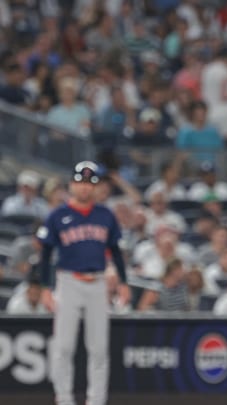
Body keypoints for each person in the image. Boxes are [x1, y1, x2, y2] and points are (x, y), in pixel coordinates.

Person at [36, 161, 130, 405]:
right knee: (64, 346)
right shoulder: (58, 215)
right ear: (71, 184)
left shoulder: (105, 215)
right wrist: (46, 288)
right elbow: (45, 255)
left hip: (98, 283)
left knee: (99, 348)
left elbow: (116, 251)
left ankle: (96, 400)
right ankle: (64, 399)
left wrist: (123, 283)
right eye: (81, 182)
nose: (85, 188)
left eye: (90, 183)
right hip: (68, 281)